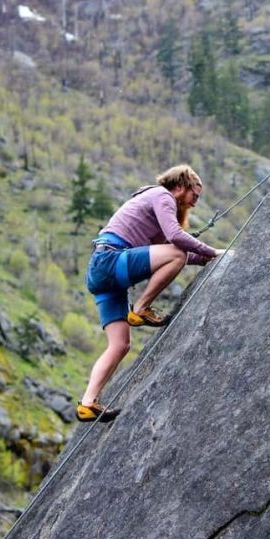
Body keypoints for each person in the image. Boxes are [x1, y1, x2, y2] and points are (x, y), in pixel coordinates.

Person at [77, 165, 221, 423]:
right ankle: (141, 308)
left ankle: (88, 403)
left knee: (120, 345)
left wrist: (208, 257)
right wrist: (211, 251)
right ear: (181, 187)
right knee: (176, 252)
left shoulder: (151, 205)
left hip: (102, 272)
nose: (195, 204)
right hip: (111, 260)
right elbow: (176, 240)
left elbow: (167, 252)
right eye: (194, 197)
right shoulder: (162, 196)